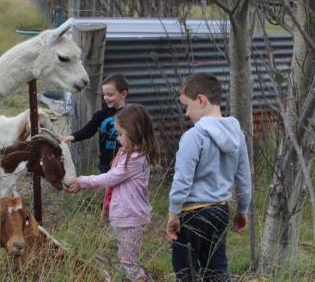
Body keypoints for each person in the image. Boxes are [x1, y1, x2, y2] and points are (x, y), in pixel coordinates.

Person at [166, 73, 252, 281]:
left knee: (186, 270)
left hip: (192, 213)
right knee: (216, 268)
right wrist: (242, 210)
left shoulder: (193, 137)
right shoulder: (237, 135)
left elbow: (182, 180)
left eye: (186, 106)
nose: (186, 113)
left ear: (201, 100)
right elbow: (243, 177)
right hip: (220, 210)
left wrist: (173, 213)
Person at [67, 104, 160, 282]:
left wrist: (82, 181)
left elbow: (109, 179)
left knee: (129, 263)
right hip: (125, 216)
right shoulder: (127, 154)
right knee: (127, 259)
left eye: (120, 134)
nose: (118, 139)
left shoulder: (135, 160)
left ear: (134, 133)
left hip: (130, 218)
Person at [61, 74, 129, 174]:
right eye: (104, 94)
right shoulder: (101, 115)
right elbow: (88, 130)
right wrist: (71, 137)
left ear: (123, 94)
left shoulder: (131, 114)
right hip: (106, 164)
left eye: (110, 95)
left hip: (126, 162)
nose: (105, 98)